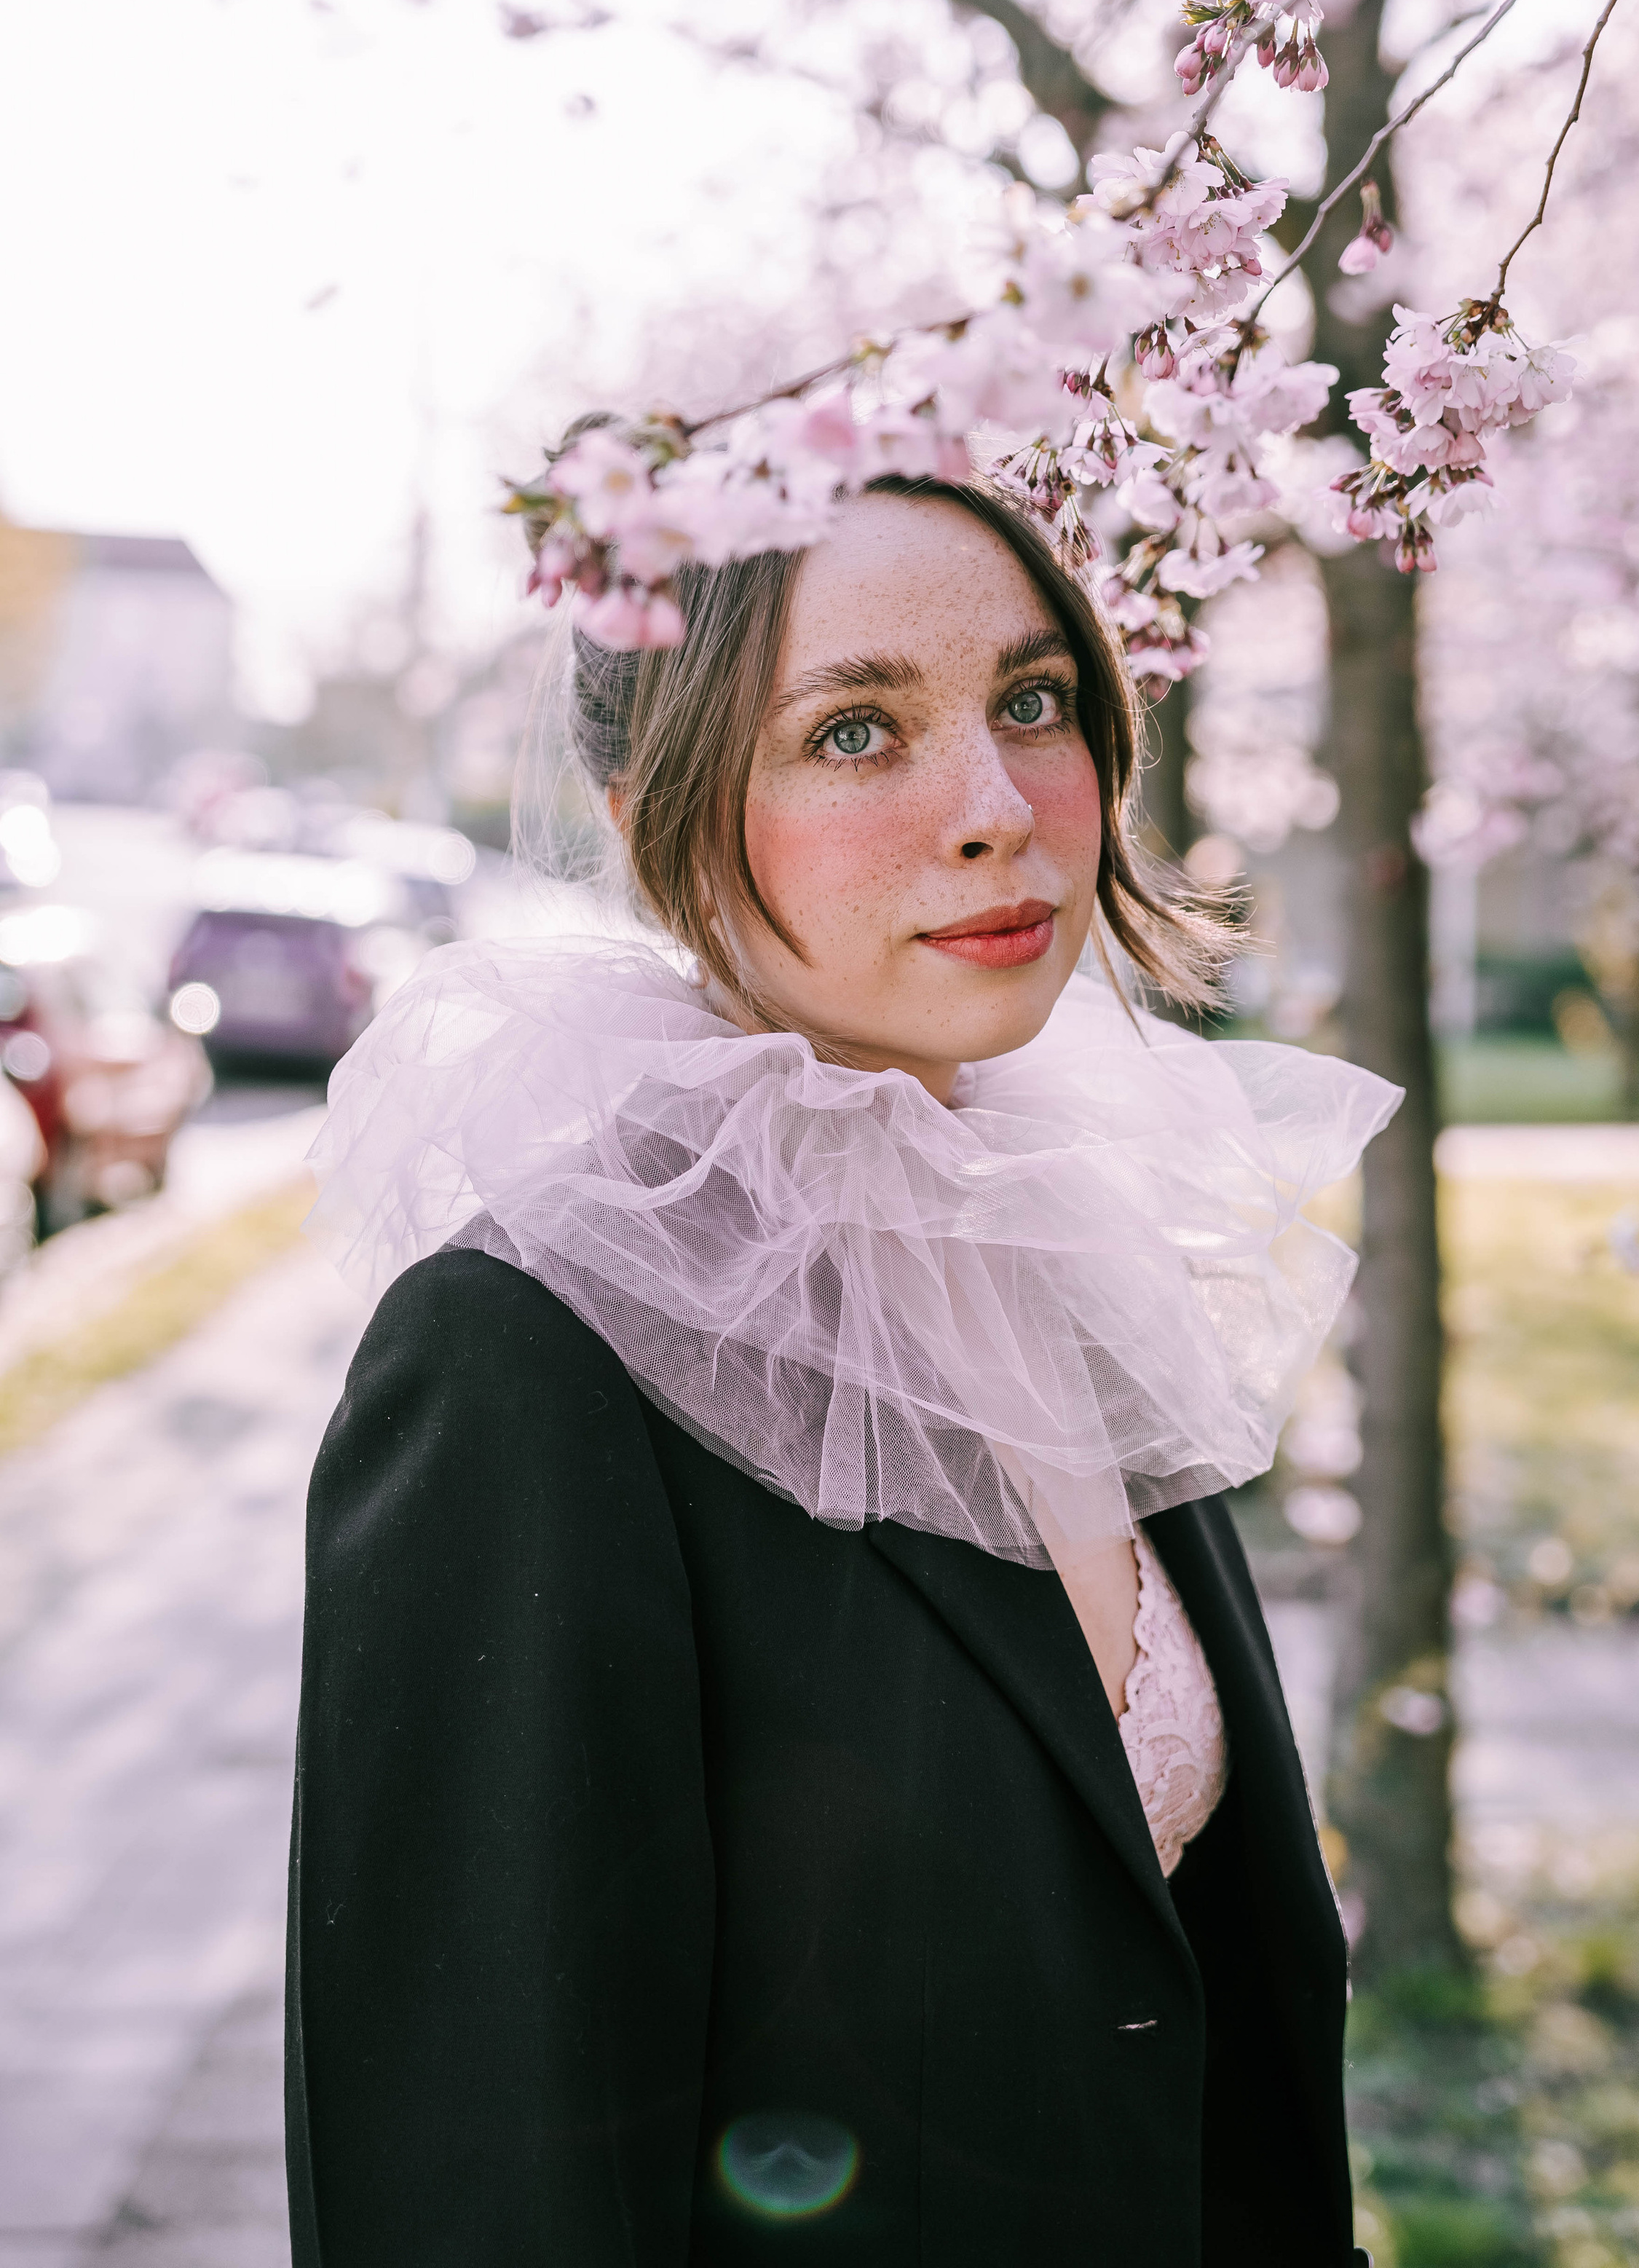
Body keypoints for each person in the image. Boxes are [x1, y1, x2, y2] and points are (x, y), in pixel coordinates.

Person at [287, 467, 1398, 2265]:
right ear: (652, 804)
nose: (994, 810)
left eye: (1032, 704)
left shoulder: (1059, 1238)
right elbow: (474, 2164)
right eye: (857, 730)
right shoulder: (524, 1365)